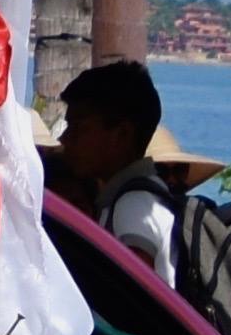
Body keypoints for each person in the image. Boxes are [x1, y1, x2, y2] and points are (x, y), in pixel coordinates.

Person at [44, 59, 181, 280]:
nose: (65, 138)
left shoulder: (133, 206)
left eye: (78, 127)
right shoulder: (139, 198)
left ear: (122, 135)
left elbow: (131, 300)